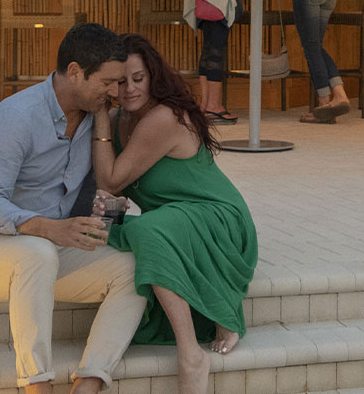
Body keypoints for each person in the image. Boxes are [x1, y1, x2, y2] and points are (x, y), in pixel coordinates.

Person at [0, 23, 142, 394]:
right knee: (35, 254)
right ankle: (37, 385)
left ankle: (91, 380)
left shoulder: (94, 117)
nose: (117, 92)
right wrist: (49, 228)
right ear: (75, 72)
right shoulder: (17, 115)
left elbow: (106, 185)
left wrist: (101, 121)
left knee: (133, 268)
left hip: (45, 251)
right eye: (109, 82)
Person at [92, 36, 257, 394]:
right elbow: (112, 193)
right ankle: (213, 311)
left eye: (138, 78)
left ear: (153, 77)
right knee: (130, 230)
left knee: (148, 230)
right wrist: (105, 227)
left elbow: (111, 178)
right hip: (177, 221)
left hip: (219, 221)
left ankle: (191, 354)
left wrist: (100, 118)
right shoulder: (124, 119)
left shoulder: (162, 118)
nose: (130, 88)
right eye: (120, 81)